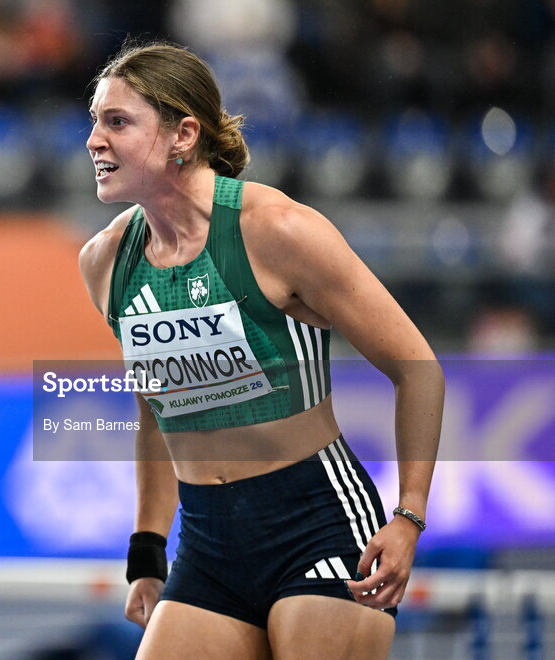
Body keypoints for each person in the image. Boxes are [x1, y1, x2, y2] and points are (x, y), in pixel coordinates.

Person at [78, 41, 443, 659]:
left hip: (316, 525)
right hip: (208, 541)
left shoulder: (277, 231)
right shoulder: (106, 262)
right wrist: (147, 547)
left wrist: (408, 516)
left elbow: (419, 371)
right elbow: (155, 410)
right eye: (94, 121)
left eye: (117, 121)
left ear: (182, 135)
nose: (94, 140)